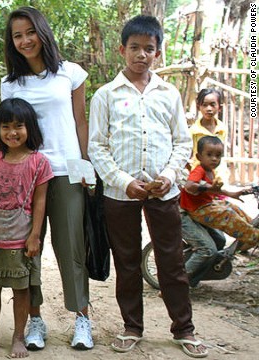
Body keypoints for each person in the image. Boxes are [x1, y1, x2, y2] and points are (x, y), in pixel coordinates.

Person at [89, 15, 208, 358]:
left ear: (159, 52)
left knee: (170, 260)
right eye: (135, 48)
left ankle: (184, 329)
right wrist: (124, 182)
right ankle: (132, 327)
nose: (142, 55)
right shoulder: (106, 95)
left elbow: (182, 142)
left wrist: (169, 176)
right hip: (120, 194)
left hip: (163, 191)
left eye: (149, 49)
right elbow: (97, 145)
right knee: (126, 261)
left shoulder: (168, 94)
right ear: (121, 49)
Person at [0, 6, 92, 350]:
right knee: (28, 250)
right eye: (17, 35)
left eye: (30, 32)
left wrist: (85, 167)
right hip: (25, 174)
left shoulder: (71, 73)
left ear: (42, 32)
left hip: (66, 172)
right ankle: (35, 320)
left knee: (71, 247)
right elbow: (6, 132)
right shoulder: (10, 85)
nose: (25, 40)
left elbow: (80, 122)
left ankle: (82, 318)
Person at [0, 98, 52, 358]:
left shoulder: (39, 162)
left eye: (19, 126)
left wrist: (35, 236)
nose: (12, 132)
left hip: (20, 236)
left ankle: (18, 336)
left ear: (30, 128)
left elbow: (40, 202)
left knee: (21, 288)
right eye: (5, 126)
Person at [182, 88, 227, 285]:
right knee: (208, 246)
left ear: (220, 106)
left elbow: (220, 158)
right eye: (205, 104)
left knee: (220, 238)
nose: (209, 108)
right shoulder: (193, 132)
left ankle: (197, 274)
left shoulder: (222, 128)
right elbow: (186, 158)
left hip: (213, 183)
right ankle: (178, 282)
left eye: (213, 104)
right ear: (199, 106)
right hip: (197, 185)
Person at [180, 136, 259, 250]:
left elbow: (214, 190)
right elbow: (189, 186)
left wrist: (233, 194)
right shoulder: (199, 170)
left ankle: (250, 230)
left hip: (206, 205)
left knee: (232, 207)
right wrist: (207, 187)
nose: (214, 159)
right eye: (209, 155)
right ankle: (253, 236)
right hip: (197, 210)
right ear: (199, 156)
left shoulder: (210, 171)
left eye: (218, 156)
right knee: (227, 214)